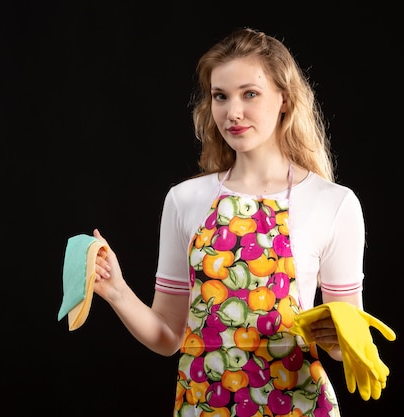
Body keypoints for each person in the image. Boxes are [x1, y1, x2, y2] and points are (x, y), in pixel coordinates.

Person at [92, 27, 366, 417]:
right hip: (205, 404)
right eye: (220, 96)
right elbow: (169, 336)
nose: (232, 112)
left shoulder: (334, 204)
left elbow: (345, 341)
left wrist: (340, 338)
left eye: (249, 94)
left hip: (297, 404)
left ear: (284, 99)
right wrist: (117, 290)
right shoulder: (185, 200)